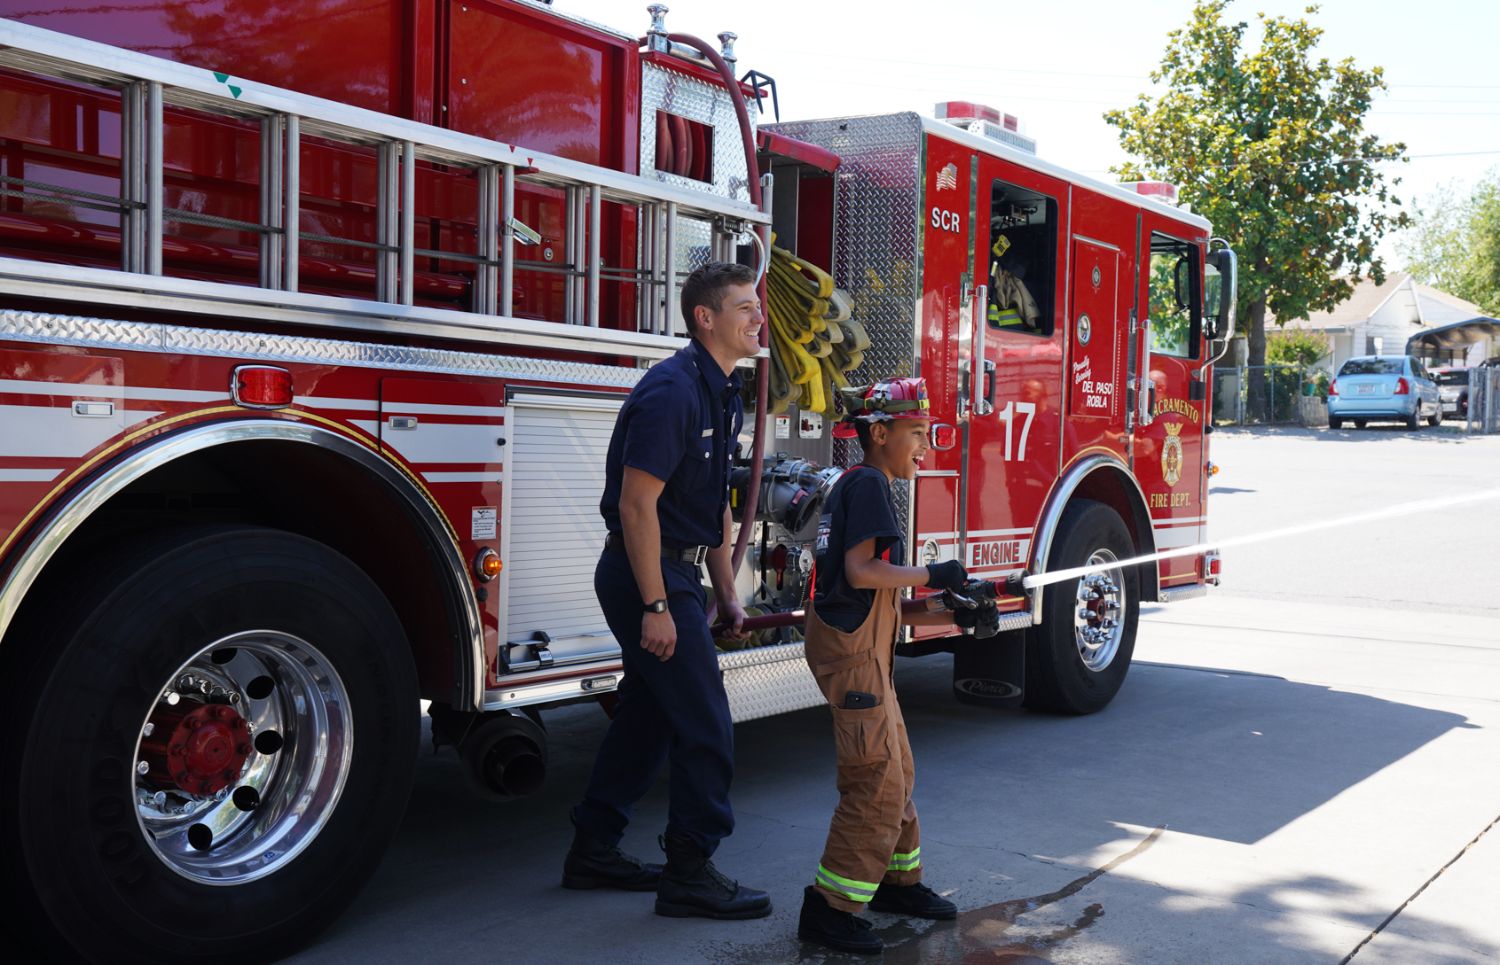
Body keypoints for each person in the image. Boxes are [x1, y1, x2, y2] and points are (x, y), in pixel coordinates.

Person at [562, 261, 772, 921]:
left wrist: (728, 592)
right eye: (744, 306)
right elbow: (636, 506)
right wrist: (657, 605)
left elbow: (709, 506)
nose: (758, 317)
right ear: (705, 318)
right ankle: (689, 868)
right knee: (706, 720)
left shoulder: (721, 392)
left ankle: (594, 846)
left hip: (674, 569)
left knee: (650, 716)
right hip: (641, 571)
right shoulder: (673, 391)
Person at [796, 376, 995, 955]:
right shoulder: (868, 486)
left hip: (867, 651)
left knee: (898, 771)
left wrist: (946, 607)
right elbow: (860, 572)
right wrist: (938, 573)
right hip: (854, 656)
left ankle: (896, 883)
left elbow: (882, 595)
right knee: (876, 781)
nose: (925, 447)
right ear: (879, 433)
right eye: (915, 433)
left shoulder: (866, 485)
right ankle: (829, 910)